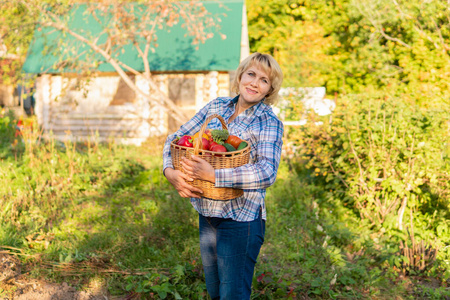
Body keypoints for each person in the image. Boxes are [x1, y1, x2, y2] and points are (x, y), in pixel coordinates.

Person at [162, 52, 284, 299]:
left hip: (242, 220)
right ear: (240, 76)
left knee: (233, 294)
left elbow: (267, 172)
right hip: (207, 215)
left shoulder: (268, 121)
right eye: (251, 74)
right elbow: (174, 138)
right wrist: (170, 171)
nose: (254, 83)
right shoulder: (216, 107)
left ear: (269, 90)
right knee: (216, 292)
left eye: (264, 80)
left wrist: (214, 175)